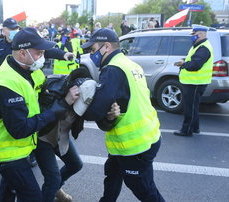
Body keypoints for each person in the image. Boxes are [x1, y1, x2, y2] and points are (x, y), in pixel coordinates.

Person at [0, 27, 79, 202]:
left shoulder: (29, 68)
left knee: (10, 187)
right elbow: (20, 129)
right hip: (6, 150)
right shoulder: (7, 84)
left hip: (19, 145)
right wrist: (60, 107)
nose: (43, 56)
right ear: (22, 53)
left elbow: (41, 91)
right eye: (39, 52)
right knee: (32, 196)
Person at [81, 28, 164, 202]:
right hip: (143, 136)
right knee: (112, 176)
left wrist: (73, 105)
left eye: (93, 49)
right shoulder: (130, 64)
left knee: (145, 190)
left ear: (107, 46)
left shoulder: (113, 69)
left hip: (134, 145)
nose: (91, 53)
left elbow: (95, 110)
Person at [36, 68, 121, 202]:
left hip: (61, 137)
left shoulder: (91, 95)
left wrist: (110, 118)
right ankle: (50, 191)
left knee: (75, 164)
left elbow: (101, 122)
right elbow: (41, 118)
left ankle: (56, 189)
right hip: (43, 137)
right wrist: (64, 102)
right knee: (52, 179)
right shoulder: (55, 91)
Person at [173, 25, 213, 137]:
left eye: (194, 34)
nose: (192, 37)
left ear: (201, 34)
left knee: (189, 108)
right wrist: (184, 60)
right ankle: (195, 127)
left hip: (195, 82)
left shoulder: (204, 48)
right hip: (193, 82)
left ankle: (187, 130)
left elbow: (195, 65)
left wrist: (183, 64)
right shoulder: (198, 46)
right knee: (193, 106)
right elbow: (193, 59)